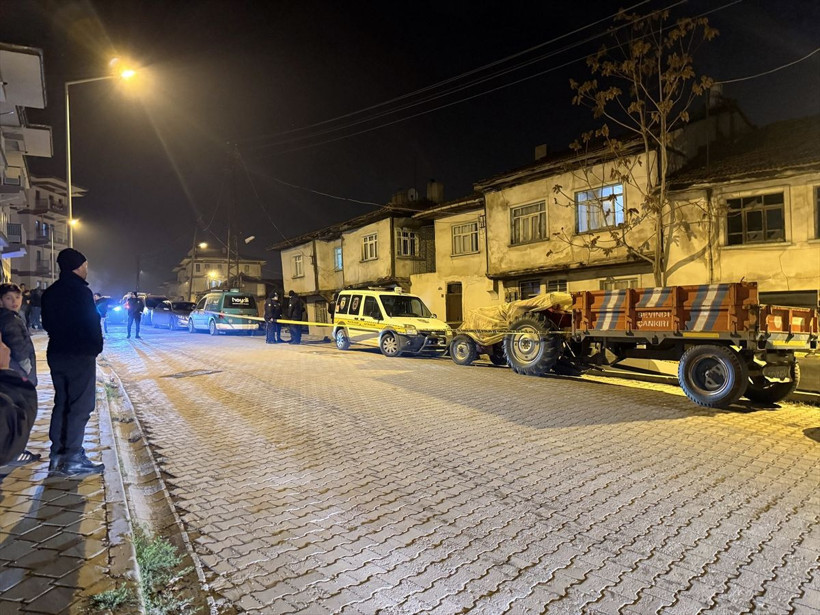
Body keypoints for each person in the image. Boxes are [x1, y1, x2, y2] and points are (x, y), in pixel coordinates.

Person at [41, 248, 104, 477]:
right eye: (85, 266)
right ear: (78, 266)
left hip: (57, 352)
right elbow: (91, 322)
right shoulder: (80, 292)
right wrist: (95, 347)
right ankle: (73, 458)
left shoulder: (51, 292)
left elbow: (46, 323)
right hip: (79, 354)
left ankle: (57, 455)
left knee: (63, 403)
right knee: (81, 406)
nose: (87, 270)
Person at [0, 283, 39, 466]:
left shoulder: (12, 316)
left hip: (13, 371)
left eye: (17, 297)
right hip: (18, 371)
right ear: (1, 301)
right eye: (9, 298)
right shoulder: (9, 319)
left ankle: (13, 449)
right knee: (22, 412)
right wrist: (27, 366)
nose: (14, 301)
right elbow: (18, 344)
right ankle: (16, 452)